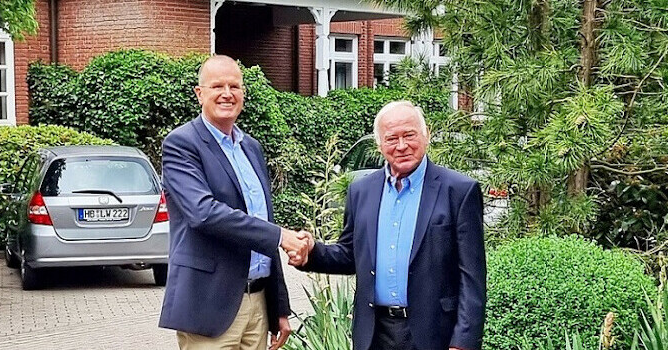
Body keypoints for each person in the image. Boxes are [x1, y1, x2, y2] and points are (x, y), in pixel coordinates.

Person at [289, 101, 488, 350]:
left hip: (435, 333)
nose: (402, 146)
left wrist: (464, 342)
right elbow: (350, 255)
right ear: (380, 145)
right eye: (392, 138)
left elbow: (472, 275)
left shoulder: (458, 191)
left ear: (426, 136)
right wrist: (311, 253)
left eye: (409, 135)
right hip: (374, 333)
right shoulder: (361, 190)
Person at [158, 55, 313, 350]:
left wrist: (279, 306)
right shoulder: (181, 144)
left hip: (258, 306)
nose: (227, 94)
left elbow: (261, 224)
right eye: (217, 86)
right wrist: (281, 236)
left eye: (234, 86)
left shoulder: (251, 148)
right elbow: (203, 213)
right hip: (209, 307)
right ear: (199, 93)